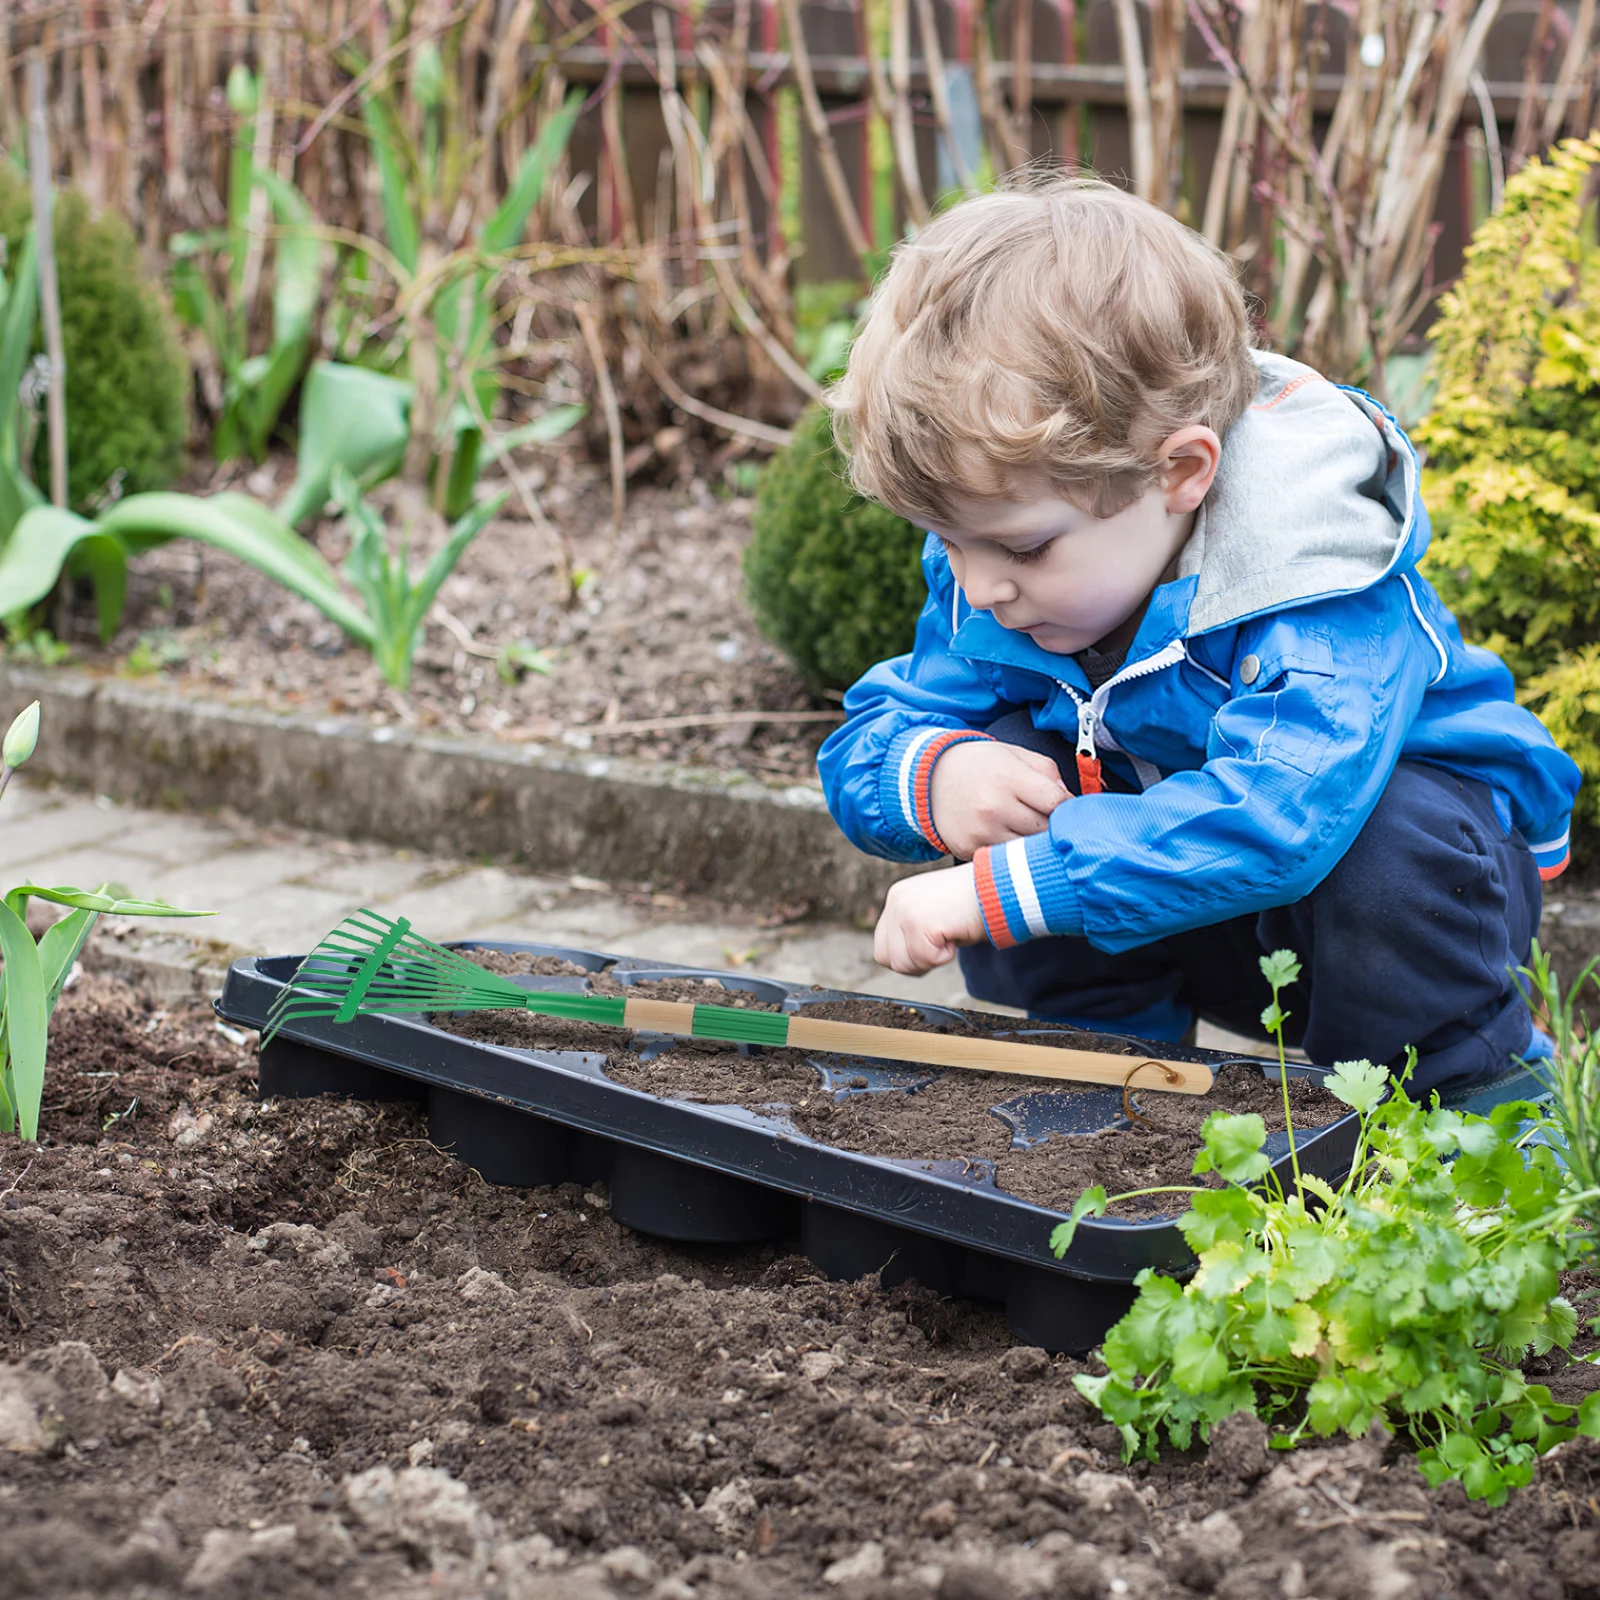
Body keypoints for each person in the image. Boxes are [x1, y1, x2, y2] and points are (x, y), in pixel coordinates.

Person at [816, 176, 1580, 1111]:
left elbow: (1279, 816)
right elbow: (875, 728)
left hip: (1415, 916)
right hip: (1198, 902)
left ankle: (1475, 1103)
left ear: (1179, 471)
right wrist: (935, 775)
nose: (979, 585)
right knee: (1018, 773)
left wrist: (1005, 890)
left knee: (1389, 845)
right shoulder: (1006, 582)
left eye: (1021, 545)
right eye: (948, 540)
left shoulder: (1317, 577)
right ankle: (1101, 1080)